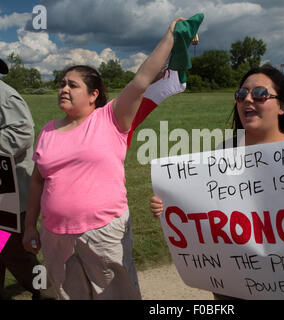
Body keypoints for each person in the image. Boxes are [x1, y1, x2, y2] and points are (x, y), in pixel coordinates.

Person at [150, 65, 284, 299]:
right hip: (237, 287)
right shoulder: (223, 153)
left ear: (282, 106)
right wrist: (170, 206)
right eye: (241, 94)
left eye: (259, 94)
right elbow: (207, 211)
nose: (247, 99)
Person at [22, 17, 186, 300]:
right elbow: (37, 181)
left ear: (93, 95)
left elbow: (141, 80)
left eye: (72, 85)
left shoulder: (111, 117)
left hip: (104, 235)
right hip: (55, 236)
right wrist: (29, 227)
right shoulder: (48, 129)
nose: (64, 89)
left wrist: (170, 35)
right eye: (62, 83)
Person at [0, 58, 41, 300]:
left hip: (10, 194)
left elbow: (22, 132)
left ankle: (47, 290)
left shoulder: (4, 95)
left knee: (13, 250)